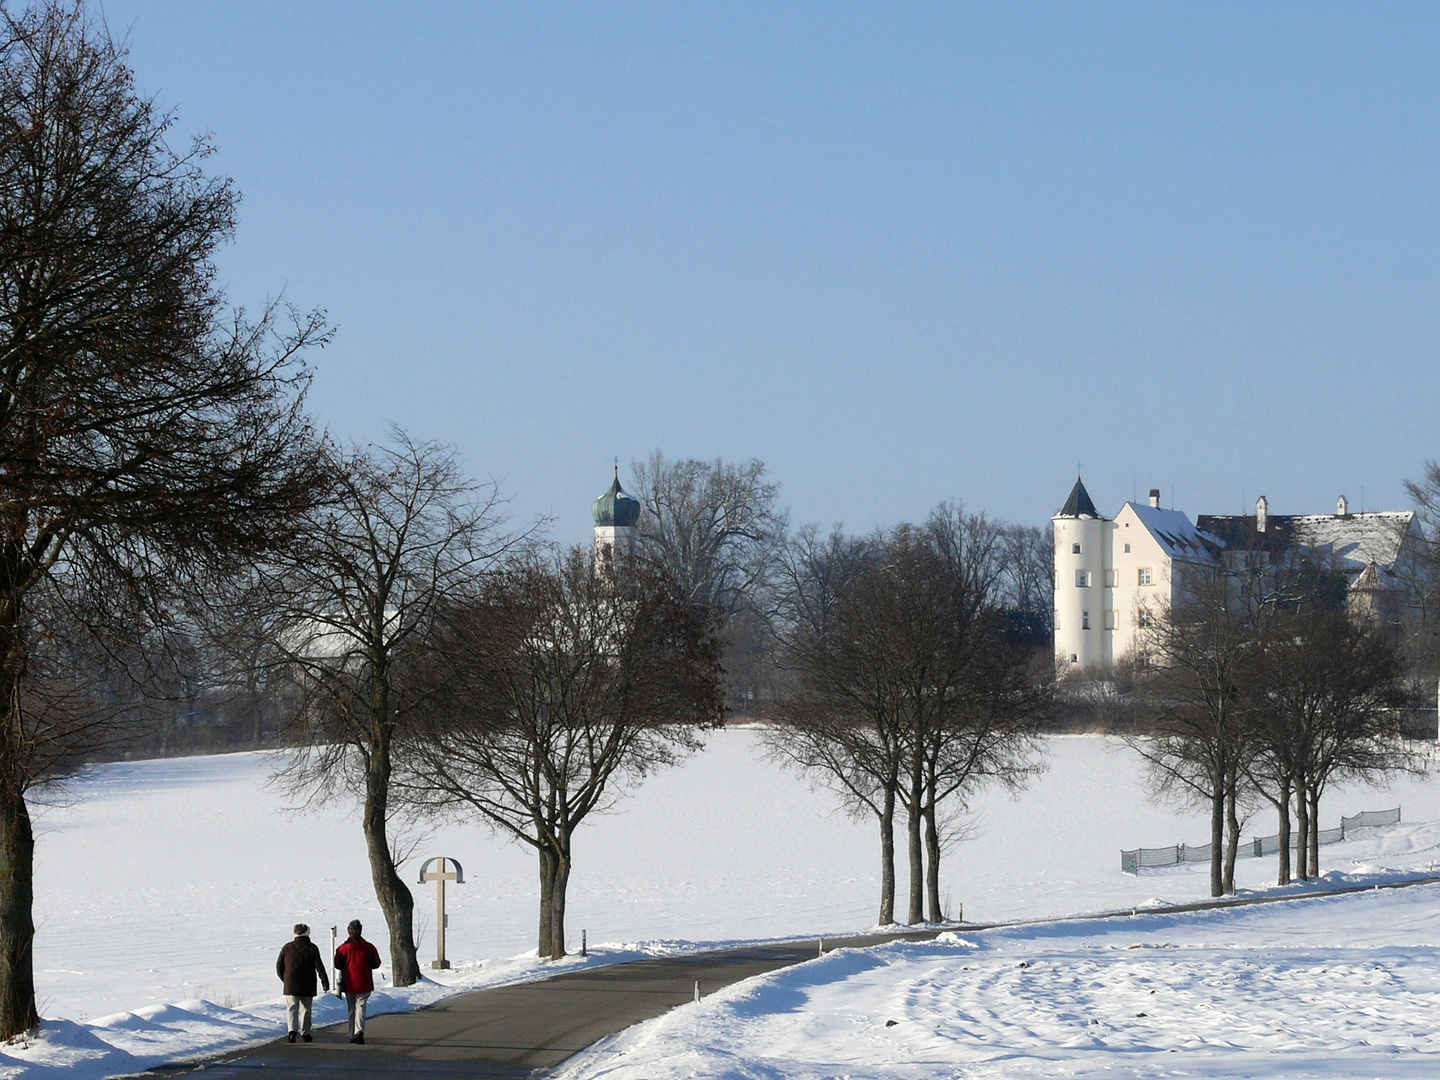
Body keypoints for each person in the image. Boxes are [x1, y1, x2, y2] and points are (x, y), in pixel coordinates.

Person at [276, 923, 329, 1043]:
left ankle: (292, 1032)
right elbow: (319, 967)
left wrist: (285, 979)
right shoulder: (312, 948)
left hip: (291, 983)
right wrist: (325, 982)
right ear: (307, 932)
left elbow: (279, 965)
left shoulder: (287, 947)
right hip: (308, 983)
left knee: (292, 1008)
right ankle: (305, 1033)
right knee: (306, 1009)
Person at [334, 918, 382, 1044]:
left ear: (348, 931)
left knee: (351, 1009)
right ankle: (359, 1032)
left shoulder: (343, 948)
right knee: (361, 1007)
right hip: (364, 982)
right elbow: (377, 963)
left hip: (349, 983)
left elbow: (337, 964)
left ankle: (351, 1034)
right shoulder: (369, 947)